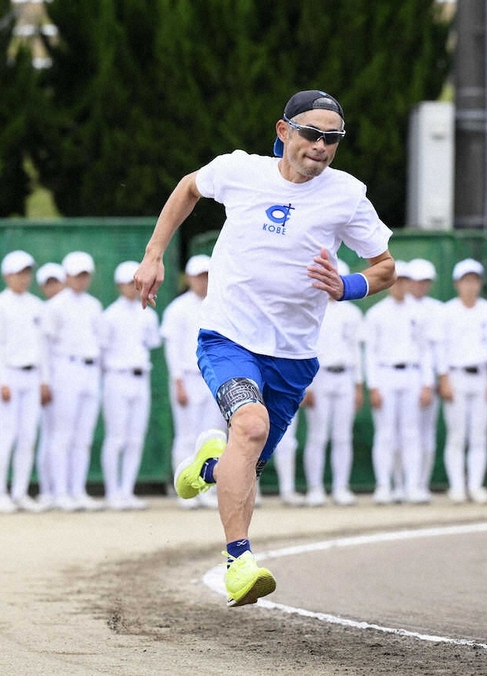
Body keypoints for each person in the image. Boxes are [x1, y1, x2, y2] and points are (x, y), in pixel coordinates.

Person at [133, 90, 395, 607]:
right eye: (311, 134)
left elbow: (386, 266)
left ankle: (207, 468)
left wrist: (348, 287)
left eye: (332, 138)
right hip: (228, 336)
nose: (320, 146)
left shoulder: (346, 195)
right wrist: (154, 253)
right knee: (249, 428)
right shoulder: (240, 171)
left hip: (294, 353)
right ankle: (240, 562)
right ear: (283, 132)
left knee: (244, 465)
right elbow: (189, 187)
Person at [363, 261, 433, 505]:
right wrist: (373, 386)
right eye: (396, 280)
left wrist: (427, 383)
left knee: (411, 433)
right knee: (386, 433)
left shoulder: (420, 313)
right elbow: (370, 353)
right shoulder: (376, 314)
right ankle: (385, 484)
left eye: (404, 280)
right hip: (386, 375)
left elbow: (425, 351)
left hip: (412, 374)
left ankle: (412, 485)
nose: (400, 285)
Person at [159, 254, 224, 510]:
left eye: (207, 276)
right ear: (189, 278)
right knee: (186, 436)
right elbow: (172, 348)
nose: (203, 281)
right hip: (188, 376)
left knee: (213, 435)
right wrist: (177, 381)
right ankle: (184, 489)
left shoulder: (219, 305)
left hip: (214, 379)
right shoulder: (178, 308)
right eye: (199, 276)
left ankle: (207, 488)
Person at [0, 250, 47, 513]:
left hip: (32, 376)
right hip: (8, 375)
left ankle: (20, 491)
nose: (23, 278)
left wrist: (45, 380)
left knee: (27, 436)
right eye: (18, 273)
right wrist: (0, 381)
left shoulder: (36, 305)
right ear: (6, 276)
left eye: (26, 273)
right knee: (6, 435)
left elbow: (42, 346)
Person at [42, 251, 104, 511]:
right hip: (65, 369)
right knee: (63, 434)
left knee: (84, 436)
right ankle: (60, 491)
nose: (81, 280)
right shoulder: (55, 306)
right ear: (66, 276)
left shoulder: (94, 305)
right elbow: (45, 345)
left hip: (90, 370)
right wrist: (46, 380)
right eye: (76, 275)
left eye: (85, 275)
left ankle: (77, 489)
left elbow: (100, 342)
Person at [99, 261, 162, 510]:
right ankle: (112, 491)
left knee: (136, 438)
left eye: (133, 283)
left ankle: (127, 490)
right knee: (116, 438)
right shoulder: (109, 315)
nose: (130, 288)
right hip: (117, 376)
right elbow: (103, 351)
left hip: (140, 377)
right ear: (118, 285)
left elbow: (151, 343)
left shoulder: (148, 313)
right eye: (126, 283)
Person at [437, 259, 487, 504]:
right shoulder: (447, 312)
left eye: (474, 280)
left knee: (479, 435)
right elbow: (440, 348)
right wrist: (444, 379)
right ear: (457, 284)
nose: (470, 285)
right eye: (466, 280)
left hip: (481, 376)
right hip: (456, 375)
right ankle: (457, 486)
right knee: (457, 434)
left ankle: (475, 485)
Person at [302, 259, 364, 507]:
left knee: (342, 436)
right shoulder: (311, 311)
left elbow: (357, 351)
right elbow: (304, 349)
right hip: (319, 377)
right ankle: (315, 487)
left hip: (345, 376)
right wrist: (307, 385)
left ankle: (341, 486)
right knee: (318, 435)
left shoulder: (353, 313)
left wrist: (359, 384)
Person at [407, 258, 442, 500]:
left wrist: (431, 382)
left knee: (427, 434)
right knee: (407, 434)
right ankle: (404, 483)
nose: (421, 286)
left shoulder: (439, 309)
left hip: (431, 379)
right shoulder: (400, 307)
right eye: (417, 282)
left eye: (425, 282)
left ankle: (421, 482)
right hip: (409, 377)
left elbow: (434, 350)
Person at [33, 262, 66, 508]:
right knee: (51, 436)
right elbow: (44, 351)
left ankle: (64, 489)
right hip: (51, 378)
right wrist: (45, 381)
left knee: (63, 437)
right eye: (48, 283)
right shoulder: (48, 310)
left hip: (64, 376)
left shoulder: (63, 307)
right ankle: (48, 489)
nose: (53, 287)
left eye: (56, 281)